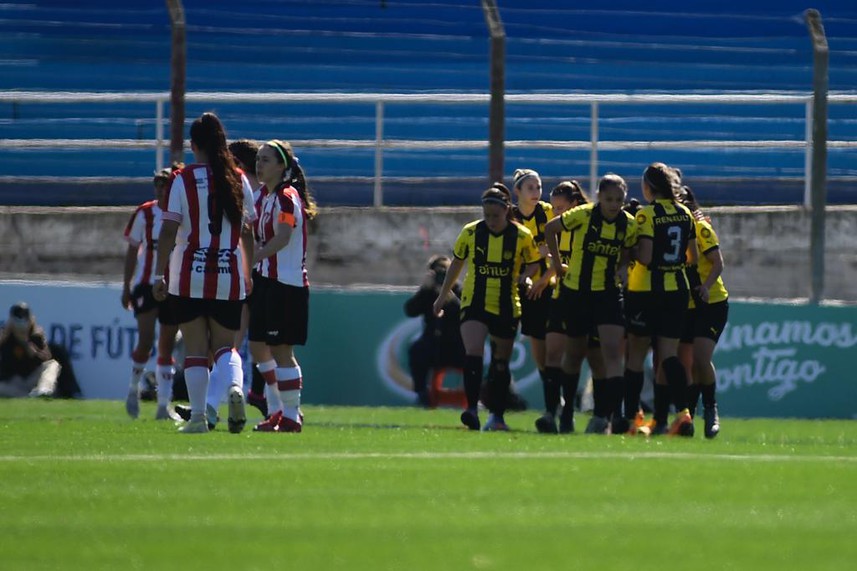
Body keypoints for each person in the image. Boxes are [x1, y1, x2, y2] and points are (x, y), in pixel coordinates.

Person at [152, 111, 255, 434]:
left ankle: (198, 418)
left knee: (196, 349)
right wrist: (248, 272)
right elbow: (247, 232)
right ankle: (235, 388)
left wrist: (158, 274)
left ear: (193, 145)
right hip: (228, 272)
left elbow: (169, 229)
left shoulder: (182, 179)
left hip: (189, 272)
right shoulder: (238, 178)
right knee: (226, 347)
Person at [433, 186, 540, 431]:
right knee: (473, 353)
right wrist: (442, 296)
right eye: (487, 215)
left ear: (506, 211)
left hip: (506, 304)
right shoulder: (471, 232)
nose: (491, 220)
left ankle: (497, 416)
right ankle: (471, 409)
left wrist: (525, 276)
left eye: (496, 215)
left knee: (500, 363)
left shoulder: (521, 236)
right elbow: (456, 264)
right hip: (475, 300)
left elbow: (534, 263)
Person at [545, 174, 637, 434]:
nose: (614, 204)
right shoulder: (583, 215)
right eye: (609, 199)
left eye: (619, 199)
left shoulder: (628, 224)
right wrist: (555, 263)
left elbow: (629, 248)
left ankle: (607, 416)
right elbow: (551, 229)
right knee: (573, 355)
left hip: (607, 294)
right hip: (577, 293)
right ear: (599, 196)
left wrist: (622, 267)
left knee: (612, 352)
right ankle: (567, 415)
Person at [624, 162, 699, 436]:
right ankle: (683, 414)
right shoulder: (685, 213)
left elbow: (643, 256)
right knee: (668, 356)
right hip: (677, 290)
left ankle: (633, 419)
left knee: (636, 356)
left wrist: (629, 249)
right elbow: (693, 258)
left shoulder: (645, 215)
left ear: (648, 187)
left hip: (646, 292)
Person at [247, 139, 317, 433]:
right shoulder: (261, 196)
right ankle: (279, 410)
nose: (259, 165)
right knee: (262, 347)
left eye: (265, 160)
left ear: (281, 167)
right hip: (265, 281)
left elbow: (283, 236)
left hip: (286, 284)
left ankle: (291, 415)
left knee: (281, 350)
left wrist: (253, 257)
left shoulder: (287, 197)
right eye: (258, 159)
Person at [536, 180, 600, 433]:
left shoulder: (588, 223)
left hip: (587, 298)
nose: (556, 213)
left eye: (561, 208)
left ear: (575, 204)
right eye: (553, 208)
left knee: (586, 358)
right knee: (552, 353)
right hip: (561, 295)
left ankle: (578, 413)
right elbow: (558, 261)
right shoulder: (558, 228)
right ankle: (552, 411)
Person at [122, 164, 183, 421]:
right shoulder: (145, 213)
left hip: (174, 286)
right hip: (147, 284)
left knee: (167, 344)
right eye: (158, 183)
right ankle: (133, 390)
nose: (161, 187)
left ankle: (163, 404)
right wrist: (126, 286)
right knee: (146, 339)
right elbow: (132, 251)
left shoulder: (182, 214)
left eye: (165, 183)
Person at [678, 184, 728, 438]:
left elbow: (718, 262)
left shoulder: (701, 228)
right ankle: (686, 415)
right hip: (684, 304)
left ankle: (710, 409)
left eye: (684, 200)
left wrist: (706, 287)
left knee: (700, 356)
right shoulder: (667, 229)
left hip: (711, 302)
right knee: (684, 364)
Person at [510, 169, 554, 410]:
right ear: (517, 191)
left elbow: (561, 252)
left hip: (545, 287)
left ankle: (555, 401)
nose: (537, 193)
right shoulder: (510, 216)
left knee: (547, 347)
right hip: (518, 287)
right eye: (531, 188)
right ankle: (498, 407)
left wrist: (543, 279)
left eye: (538, 187)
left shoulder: (547, 212)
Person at [404, 255, 465, 407]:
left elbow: (465, 312)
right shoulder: (428, 292)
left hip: (457, 345)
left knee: (475, 355)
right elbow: (410, 310)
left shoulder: (459, 290)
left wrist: (448, 296)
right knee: (416, 350)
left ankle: (474, 396)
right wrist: (425, 289)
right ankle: (421, 393)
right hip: (432, 344)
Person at [0, 302, 60, 398]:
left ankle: (43, 391)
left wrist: (26, 343)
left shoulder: (36, 335)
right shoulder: (5, 336)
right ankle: (27, 398)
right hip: (12, 382)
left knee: (52, 364)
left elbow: (45, 359)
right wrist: (5, 335)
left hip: (31, 379)